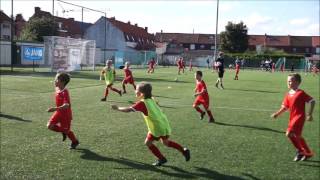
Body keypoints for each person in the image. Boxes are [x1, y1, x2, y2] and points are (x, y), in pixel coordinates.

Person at [111, 82, 190, 166]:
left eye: (136, 90)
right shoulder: (151, 98)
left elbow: (128, 110)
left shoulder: (142, 103)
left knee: (148, 143)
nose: (135, 91)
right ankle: (183, 150)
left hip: (157, 127)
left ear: (141, 93)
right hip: (163, 124)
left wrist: (117, 108)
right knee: (165, 142)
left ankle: (162, 158)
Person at [271, 73, 315, 161]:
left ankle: (300, 151)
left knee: (289, 133)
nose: (288, 82)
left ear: (298, 82)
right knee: (298, 136)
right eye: (287, 81)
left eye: (291, 81)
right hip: (292, 117)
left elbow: (312, 101)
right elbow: (285, 107)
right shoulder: (288, 94)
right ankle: (308, 152)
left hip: (299, 117)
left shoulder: (300, 93)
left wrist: (309, 114)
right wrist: (277, 114)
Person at [47, 72, 79, 149]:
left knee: (66, 131)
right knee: (49, 126)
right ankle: (64, 131)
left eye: (57, 79)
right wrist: (57, 79)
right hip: (58, 113)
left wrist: (54, 109)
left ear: (63, 82)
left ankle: (75, 141)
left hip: (66, 115)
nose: (55, 81)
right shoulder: (57, 88)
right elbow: (56, 84)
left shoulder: (65, 92)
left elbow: (66, 105)